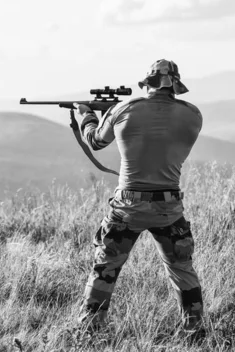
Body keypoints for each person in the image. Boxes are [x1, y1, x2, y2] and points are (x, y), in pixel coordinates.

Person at [73, 59, 204, 336]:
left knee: (105, 266)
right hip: (169, 206)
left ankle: (90, 330)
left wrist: (87, 114)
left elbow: (96, 140)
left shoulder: (124, 108)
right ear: (176, 85)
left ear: (148, 83)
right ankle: (195, 329)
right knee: (181, 269)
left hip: (128, 206)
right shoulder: (194, 115)